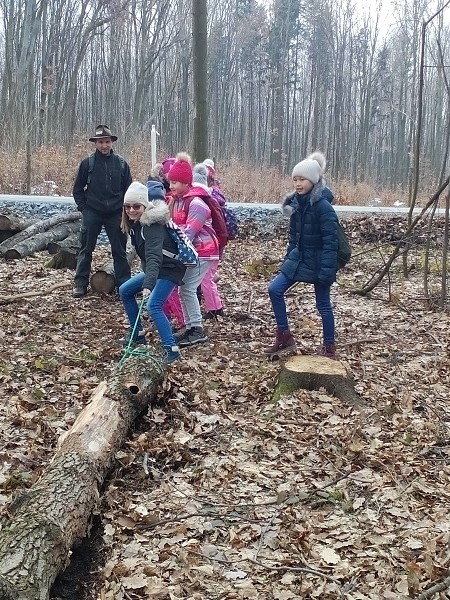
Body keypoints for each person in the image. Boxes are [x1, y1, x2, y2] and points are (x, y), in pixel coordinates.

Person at [264, 152, 338, 359]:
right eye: (295, 179)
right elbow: (294, 237)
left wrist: (326, 271)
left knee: (323, 305)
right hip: (299, 259)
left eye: (302, 179)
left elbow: (330, 243)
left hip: (319, 262)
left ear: (313, 181)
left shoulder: (324, 208)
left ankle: (329, 348)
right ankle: (284, 336)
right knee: (274, 289)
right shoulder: (296, 205)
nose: (298, 184)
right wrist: (289, 259)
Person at [118, 180, 186, 365]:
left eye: (136, 206)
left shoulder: (152, 226)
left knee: (153, 306)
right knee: (125, 290)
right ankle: (138, 334)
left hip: (169, 269)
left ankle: (171, 350)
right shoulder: (136, 224)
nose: (131, 210)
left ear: (145, 205)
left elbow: (155, 257)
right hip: (155, 269)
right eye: (128, 206)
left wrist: (148, 284)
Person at [166, 153, 220, 347]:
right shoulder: (178, 200)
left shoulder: (195, 202)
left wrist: (177, 249)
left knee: (187, 288)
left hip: (204, 251)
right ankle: (190, 328)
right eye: (170, 181)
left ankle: (196, 329)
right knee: (184, 288)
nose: (171, 186)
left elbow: (189, 232)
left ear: (186, 182)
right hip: (193, 251)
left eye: (175, 182)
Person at [72, 125, 132, 298]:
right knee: (85, 249)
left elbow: (129, 190)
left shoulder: (121, 164)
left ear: (112, 142)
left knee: (120, 251)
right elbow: (77, 189)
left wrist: (126, 212)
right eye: (100, 142)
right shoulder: (87, 163)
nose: (104, 145)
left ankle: (125, 286)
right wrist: (83, 209)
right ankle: (80, 284)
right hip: (92, 212)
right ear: (95, 144)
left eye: (107, 142)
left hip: (116, 214)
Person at [192, 163, 225, 320]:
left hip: (208, 248)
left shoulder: (201, 203)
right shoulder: (209, 199)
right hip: (214, 246)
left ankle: (214, 309)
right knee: (208, 279)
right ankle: (216, 306)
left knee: (206, 280)